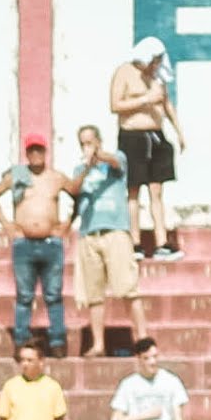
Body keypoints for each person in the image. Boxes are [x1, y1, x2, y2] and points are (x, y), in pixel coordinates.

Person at [0, 138, 71, 356]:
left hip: (51, 243)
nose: (36, 154)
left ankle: (57, 341)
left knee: (53, 295)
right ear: (27, 153)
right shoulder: (18, 176)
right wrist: (6, 224)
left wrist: (68, 223)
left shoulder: (56, 177)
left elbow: (77, 194)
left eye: (39, 150)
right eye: (31, 151)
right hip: (24, 243)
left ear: (46, 152)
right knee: (24, 296)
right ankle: (21, 339)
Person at [66, 126, 143, 355]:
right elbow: (74, 189)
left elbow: (117, 163)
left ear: (99, 141)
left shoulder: (116, 160)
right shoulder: (80, 169)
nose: (86, 147)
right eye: (83, 143)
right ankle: (98, 343)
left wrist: (99, 157)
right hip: (89, 233)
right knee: (93, 294)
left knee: (128, 287)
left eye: (90, 142)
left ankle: (143, 337)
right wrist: (87, 167)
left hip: (115, 231)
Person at [106, 42, 181, 258]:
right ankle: (135, 242)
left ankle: (161, 242)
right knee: (133, 191)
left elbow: (166, 104)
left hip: (156, 136)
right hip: (133, 137)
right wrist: (145, 100)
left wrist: (179, 131)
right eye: (154, 60)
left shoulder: (157, 77)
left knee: (157, 192)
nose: (156, 65)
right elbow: (115, 105)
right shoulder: (124, 72)